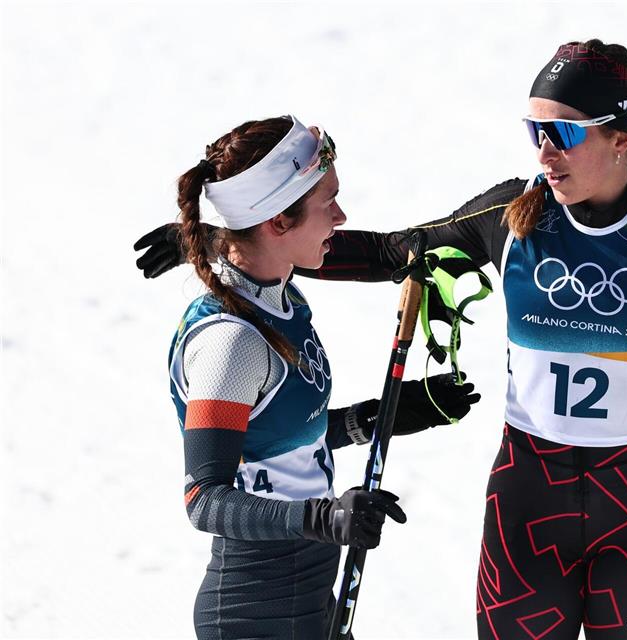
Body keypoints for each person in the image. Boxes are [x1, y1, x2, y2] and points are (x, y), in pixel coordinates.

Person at [135, 41, 627, 639]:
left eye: (561, 132)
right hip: (529, 493)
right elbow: (393, 253)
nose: (543, 150)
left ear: (619, 137)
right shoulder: (514, 213)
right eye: (534, 131)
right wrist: (224, 234)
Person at [144, 115, 480, 640]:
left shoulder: (282, 300)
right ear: (278, 221)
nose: (341, 218)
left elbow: (281, 449)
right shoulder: (229, 343)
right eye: (329, 202)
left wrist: (379, 419)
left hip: (310, 601)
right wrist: (324, 518)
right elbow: (205, 499)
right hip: (252, 614)